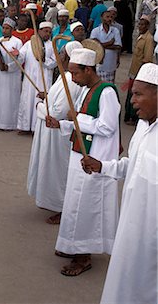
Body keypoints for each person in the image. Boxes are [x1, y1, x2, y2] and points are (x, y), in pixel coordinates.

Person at [80, 63, 157, 304]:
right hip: (131, 227)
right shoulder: (144, 128)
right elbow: (131, 165)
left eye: (138, 94)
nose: (131, 101)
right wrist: (102, 165)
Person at [46, 48, 121, 277]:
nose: (73, 79)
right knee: (75, 202)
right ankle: (72, 245)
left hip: (95, 157)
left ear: (88, 70)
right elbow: (82, 123)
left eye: (75, 74)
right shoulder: (87, 89)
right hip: (80, 153)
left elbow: (106, 126)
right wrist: (62, 124)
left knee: (87, 205)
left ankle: (84, 256)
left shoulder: (106, 92)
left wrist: (76, 119)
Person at [27, 42, 83, 224]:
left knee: (59, 169)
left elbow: (57, 112)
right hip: (47, 130)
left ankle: (62, 207)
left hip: (59, 133)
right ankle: (51, 201)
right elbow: (53, 101)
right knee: (47, 166)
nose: (58, 55)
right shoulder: (63, 76)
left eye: (61, 53)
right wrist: (46, 99)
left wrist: (39, 106)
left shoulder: (73, 83)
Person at [17, 21, 57, 134]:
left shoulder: (51, 45)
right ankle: (25, 127)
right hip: (30, 79)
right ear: (39, 31)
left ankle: (37, 128)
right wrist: (17, 54)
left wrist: (44, 61)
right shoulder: (30, 43)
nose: (47, 34)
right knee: (27, 100)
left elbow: (55, 62)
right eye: (45, 31)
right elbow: (21, 57)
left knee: (41, 101)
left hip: (44, 78)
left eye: (49, 32)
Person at [0, 18, 23, 131]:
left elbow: (21, 59)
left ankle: (8, 124)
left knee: (9, 99)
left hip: (11, 76)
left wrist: (9, 66)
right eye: (3, 28)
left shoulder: (17, 42)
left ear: (12, 29)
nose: (5, 30)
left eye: (7, 28)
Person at [124, 16, 155, 125]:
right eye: (139, 24)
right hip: (133, 71)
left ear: (147, 26)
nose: (140, 26)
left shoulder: (148, 39)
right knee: (130, 95)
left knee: (136, 95)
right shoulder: (140, 36)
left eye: (143, 24)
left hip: (138, 73)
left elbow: (147, 58)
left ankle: (133, 117)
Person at [90, 10, 122, 83]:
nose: (109, 19)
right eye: (107, 17)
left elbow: (118, 47)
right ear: (101, 18)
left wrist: (101, 45)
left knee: (109, 85)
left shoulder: (115, 30)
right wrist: (109, 43)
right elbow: (93, 46)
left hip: (111, 63)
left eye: (111, 17)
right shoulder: (95, 31)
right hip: (99, 65)